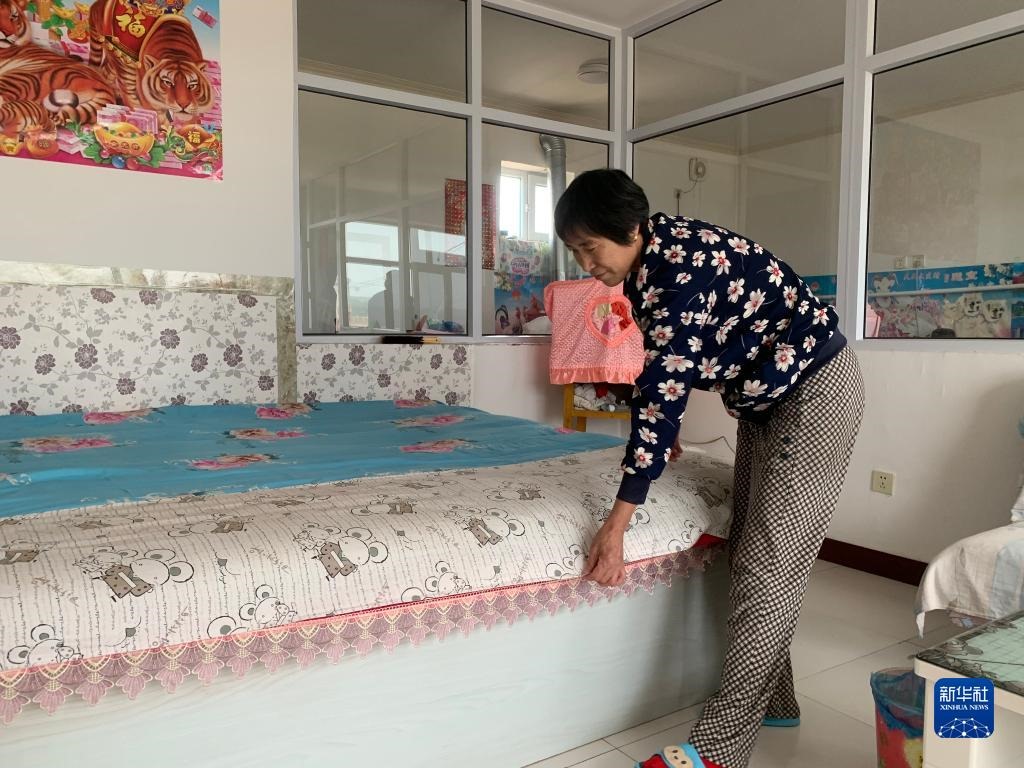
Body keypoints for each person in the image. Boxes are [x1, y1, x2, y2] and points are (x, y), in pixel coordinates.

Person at [554, 169, 865, 768]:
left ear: (631, 228)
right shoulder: (646, 267)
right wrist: (661, 422)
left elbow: (665, 388)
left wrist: (616, 526)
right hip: (766, 400)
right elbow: (665, 372)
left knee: (770, 563)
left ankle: (720, 749)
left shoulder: (677, 269)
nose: (586, 264)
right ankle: (777, 699)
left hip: (817, 390)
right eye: (576, 251)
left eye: (591, 248)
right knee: (750, 547)